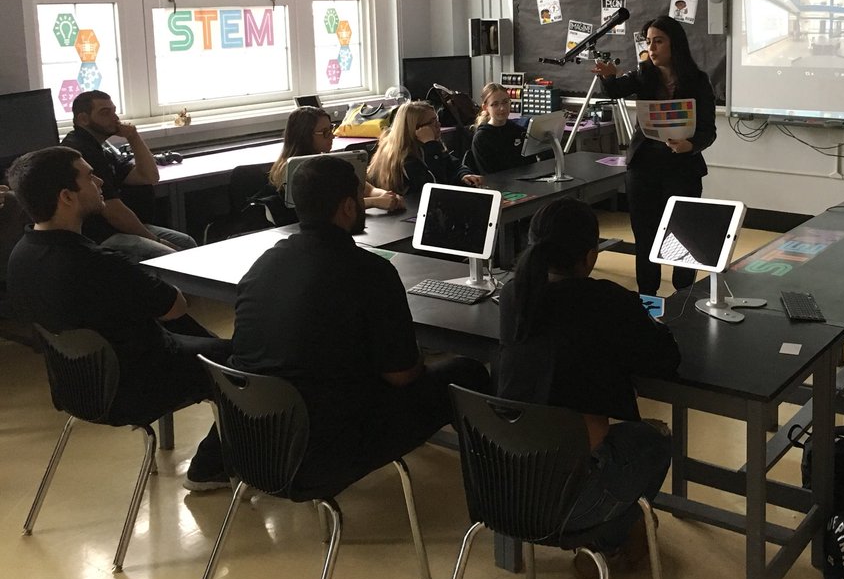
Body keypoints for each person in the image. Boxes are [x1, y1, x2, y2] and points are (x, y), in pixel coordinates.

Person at [229, 155, 490, 493]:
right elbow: (402, 375)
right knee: (467, 372)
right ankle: (496, 488)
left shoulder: (264, 263)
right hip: (326, 451)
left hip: (256, 442)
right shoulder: (370, 272)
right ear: (349, 207)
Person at [5, 146, 231, 490]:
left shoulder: (21, 255)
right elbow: (176, 306)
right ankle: (209, 467)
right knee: (240, 362)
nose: (98, 181)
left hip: (77, 385)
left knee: (204, 342)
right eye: (88, 176)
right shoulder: (99, 264)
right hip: (135, 386)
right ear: (66, 196)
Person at [496, 197, 679, 571]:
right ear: (591, 256)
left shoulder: (514, 295)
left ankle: (614, 535)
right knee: (654, 439)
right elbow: (664, 360)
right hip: (569, 506)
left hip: (504, 487)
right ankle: (606, 543)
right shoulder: (606, 301)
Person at [592, 16, 716, 295]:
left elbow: (709, 130)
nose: (652, 47)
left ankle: (683, 294)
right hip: (643, 168)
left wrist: (691, 145)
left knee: (683, 235)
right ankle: (647, 295)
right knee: (645, 235)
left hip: (682, 168)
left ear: (675, 44)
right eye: (648, 42)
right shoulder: (643, 74)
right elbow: (615, 90)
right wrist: (607, 75)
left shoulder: (697, 81)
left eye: (658, 41)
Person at [60, 90, 196, 261]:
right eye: (105, 113)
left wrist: (133, 136)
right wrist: (155, 240)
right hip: (102, 235)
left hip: (118, 229)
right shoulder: (81, 152)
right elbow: (113, 211)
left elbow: (149, 176)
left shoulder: (102, 147)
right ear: (83, 119)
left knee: (186, 242)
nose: (115, 118)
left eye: (114, 111)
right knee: (170, 256)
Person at [267, 105, 402, 212]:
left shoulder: (327, 162)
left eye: (331, 129)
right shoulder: (294, 169)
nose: (332, 136)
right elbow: (326, 206)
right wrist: (375, 202)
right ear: (305, 136)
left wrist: (388, 196)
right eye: (325, 132)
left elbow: (368, 189)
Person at [367, 100, 482, 199]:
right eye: (432, 122)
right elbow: (435, 185)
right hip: (411, 211)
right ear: (416, 129)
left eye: (437, 120)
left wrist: (463, 174)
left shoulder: (432, 146)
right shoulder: (406, 157)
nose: (438, 125)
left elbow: (454, 165)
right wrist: (430, 146)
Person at [464, 83, 533, 175]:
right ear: (485, 108)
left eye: (505, 102)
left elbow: (529, 164)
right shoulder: (482, 138)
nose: (502, 108)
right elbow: (488, 174)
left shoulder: (519, 132)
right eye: (495, 104)